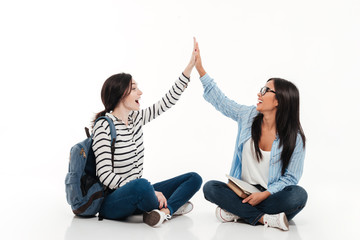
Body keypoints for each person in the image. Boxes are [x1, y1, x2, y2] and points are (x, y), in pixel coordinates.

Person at [194, 41, 307, 231]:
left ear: (279, 100)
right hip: (242, 192)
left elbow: (290, 178)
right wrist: (200, 69)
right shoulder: (248, 116)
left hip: (270, 196)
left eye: (265, 90)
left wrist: (264, 195)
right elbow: (221, 101)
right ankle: (265, 219)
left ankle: (236, 212)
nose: (259, 93)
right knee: (210, 187)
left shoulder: (295, 138)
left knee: (298, 196)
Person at [92, 39, 202, 227]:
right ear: (120, 94)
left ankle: (165, 212)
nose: (140, 92)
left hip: (139, 192)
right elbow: (104, 175)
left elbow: (166, 102)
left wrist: (190, 67)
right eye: (134, 88)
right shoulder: (103, 126)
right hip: (113, 201)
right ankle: (169, 206)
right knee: (142, 184)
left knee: (194, 178)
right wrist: (150, 191)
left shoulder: (136, 119)